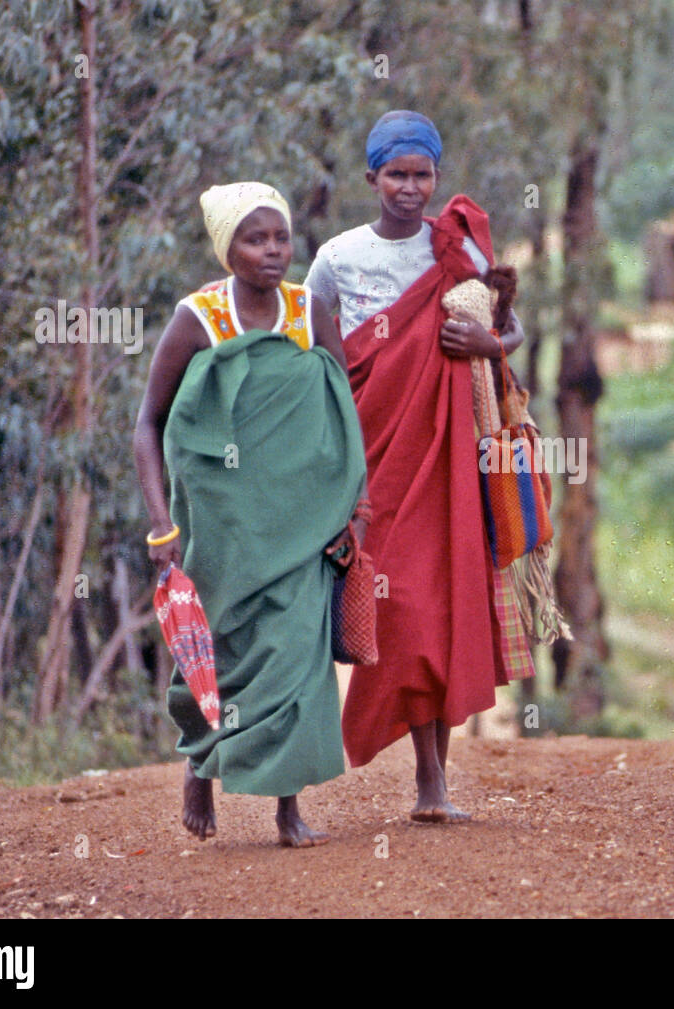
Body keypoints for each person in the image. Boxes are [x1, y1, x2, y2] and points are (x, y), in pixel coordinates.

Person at [304, 110, 534, 823]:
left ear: (438, 178)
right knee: (392, 607)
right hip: (368, 458)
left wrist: (487, 344)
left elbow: (510, 329)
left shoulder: (454, 251)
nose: (410, 188)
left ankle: (432, 782)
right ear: (371, 178)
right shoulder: (335, 259)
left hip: (443, 459)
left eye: (423, 175)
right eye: (396, 174)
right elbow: (324, 364)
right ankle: (412, 770)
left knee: (438, 608)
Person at [133, 182, 368, 846]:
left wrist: (357, 505)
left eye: (280, 238)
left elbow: (341, 415)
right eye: (254, 238)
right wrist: (160, 523)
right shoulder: (199, 318)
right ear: (225, 246)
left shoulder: (308, 310)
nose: (272, 252)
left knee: (295, 655)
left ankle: (288, 810)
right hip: (219, 524)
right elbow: (147, 423)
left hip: (302, 522)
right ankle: (201, 763)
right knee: (221, 652)